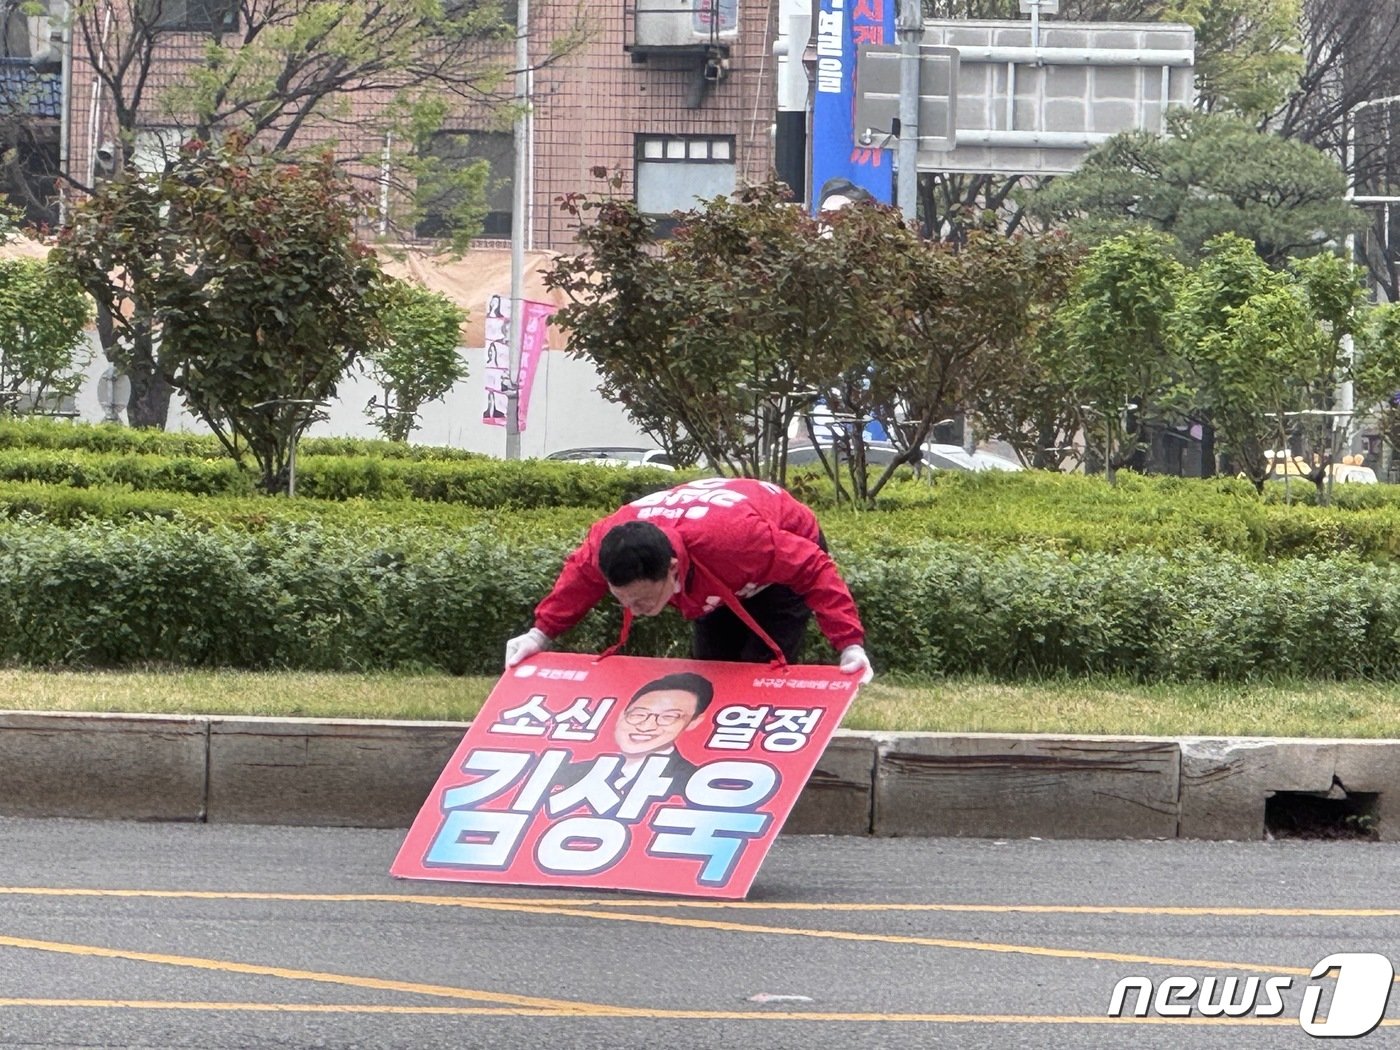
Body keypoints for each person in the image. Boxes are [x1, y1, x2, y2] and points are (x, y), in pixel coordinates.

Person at [504, 477, 873, 681]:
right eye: (625, 602)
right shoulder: (605, 543)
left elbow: (814, 569)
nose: (638, 610)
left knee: (756, 674)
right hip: (711, 574)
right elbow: (577, 584)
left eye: (644, 601)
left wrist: (850, 645)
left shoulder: (737, 541)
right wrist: (539, 635)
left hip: (775, 557)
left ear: (671, 568)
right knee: (710, 672)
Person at [552, 672, 712, 798]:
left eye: (668, 717)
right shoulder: (566, 773)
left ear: (694, 722)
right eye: (639, 714)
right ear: (622, 714)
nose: (646, 726)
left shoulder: (694, 785)